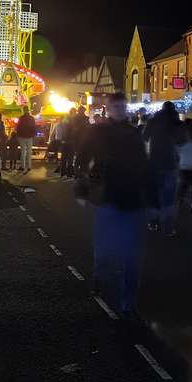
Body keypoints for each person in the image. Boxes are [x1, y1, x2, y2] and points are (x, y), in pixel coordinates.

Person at [77, 92, 152, 320]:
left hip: (132, 200)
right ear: (108, 109)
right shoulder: (98, 131)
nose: (120, 110)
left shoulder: (134, 133)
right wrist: (82, 187)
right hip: (107, 197)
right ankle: (100, 279)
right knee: (104, 251)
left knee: (132, 257)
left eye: (122, 106)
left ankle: (127, 306)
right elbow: (82, 157)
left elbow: (145, 166)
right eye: (115, 106)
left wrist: (153, 200)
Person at [143, 101, 185, 236]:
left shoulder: (153, 120)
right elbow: (182, 141)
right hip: (171, 163)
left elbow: (144, 137)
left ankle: (153, 222)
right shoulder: (177, 123)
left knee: (154, 194)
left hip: (154, 161)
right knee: (169, 198)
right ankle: (167, 227)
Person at [16, 105, 36, 173]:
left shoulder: (21, 118)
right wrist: (33, 135)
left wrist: (18, 135)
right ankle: (29, 166)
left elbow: (18, 127)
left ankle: (22, 166)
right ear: (28, 110)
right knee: (29, 152)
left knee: (23, 151)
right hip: (30, 137)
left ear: (23, 110)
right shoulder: (31, 118)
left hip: (22, 136)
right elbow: (34, 127)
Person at [60, 108, 78, 178]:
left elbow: (63, 131)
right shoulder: (73, 121)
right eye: (75, 112)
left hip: (65, 141)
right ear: (73, 112)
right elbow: (73, 131)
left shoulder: (65, 119)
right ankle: (69, 173)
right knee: (70, 157)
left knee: (64, 157)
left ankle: (63, 172)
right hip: (71, 142)